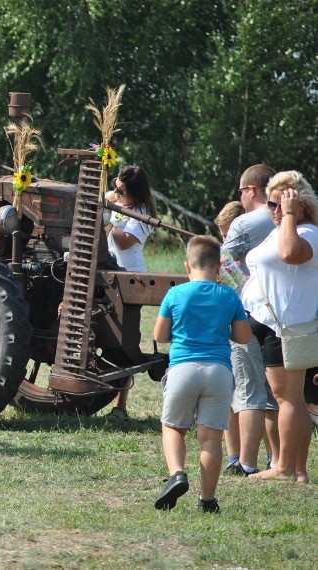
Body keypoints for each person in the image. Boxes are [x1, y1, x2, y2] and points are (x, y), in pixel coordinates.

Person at [153, 236, 251, 513]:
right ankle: (207, 500)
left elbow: (160, 335)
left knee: (173, 427)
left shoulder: (175, 294)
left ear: (187, 264)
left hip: (183, 368)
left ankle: (177, 474)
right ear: (218, 268)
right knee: (210, 438)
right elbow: (243, 337)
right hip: (219, 372)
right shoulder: (229, 296)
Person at [240, 170, 318, 483]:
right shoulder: (281, 228)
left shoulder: (309, 232)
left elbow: (289, 254)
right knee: (289, 398)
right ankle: (297, 470)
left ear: (301, 205)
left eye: (279, 204)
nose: (273, 210)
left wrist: (288, 214)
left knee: (288, 398)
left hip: (286, 326)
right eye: (271, 205)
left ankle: (285, 467)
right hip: (268, 322)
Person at [220, 165, 280, 476]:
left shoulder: (244, 222)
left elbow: (223, 266)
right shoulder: (290, 218)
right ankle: (277, 460)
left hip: (249, 312)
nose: (240, 197)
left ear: (252, 190)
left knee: (247, 390)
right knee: (278, 394)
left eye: (241, 191)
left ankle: (245, 463)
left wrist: (238, 291)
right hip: (285, 313)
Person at [102, 164, 155, 418]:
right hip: (111, 273)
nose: (117, 193)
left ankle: (120, 406)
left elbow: (123, 243)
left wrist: (112, 214)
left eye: (122, 191)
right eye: (116, 188)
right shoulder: (121, 204)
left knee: (125, 342)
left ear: (135, 192)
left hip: (130, 278)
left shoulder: (143, 213)